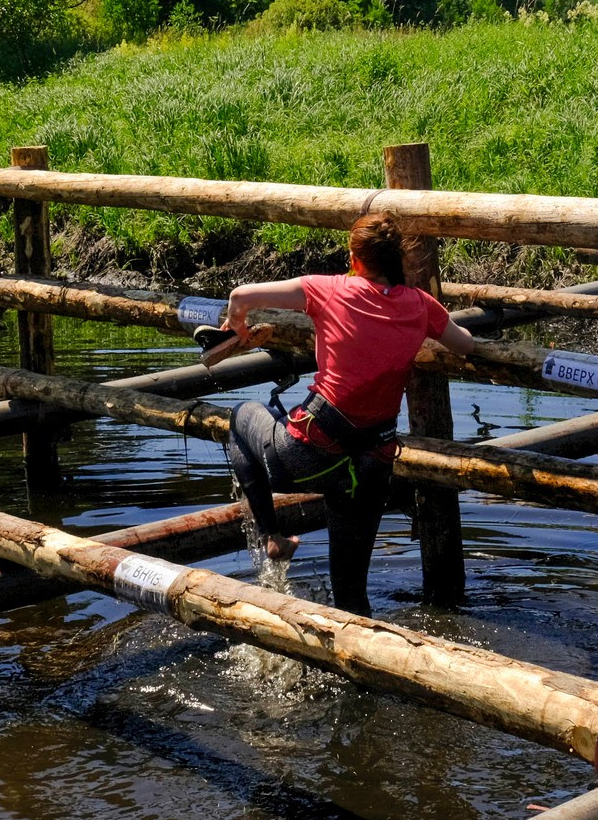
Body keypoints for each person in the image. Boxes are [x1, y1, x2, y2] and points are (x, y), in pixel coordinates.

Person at [196, 212, 480, 615]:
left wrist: (235, 327)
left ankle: (272, 536)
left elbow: (241, 295)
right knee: (351, 595)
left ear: (354, 256)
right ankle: (363, 669)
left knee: (241, 416)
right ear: (396, 258)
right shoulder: (421, 306)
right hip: (371, 466)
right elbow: (464, 344)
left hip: (307, 455)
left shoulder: (327, 289)